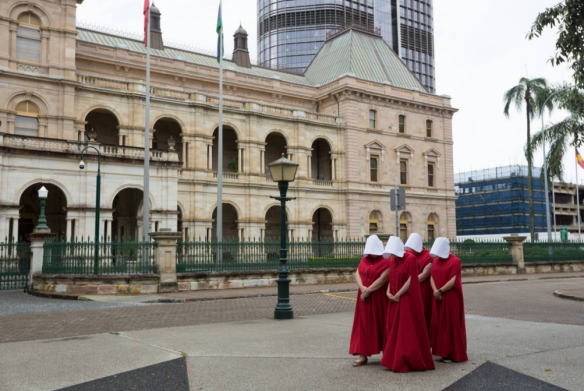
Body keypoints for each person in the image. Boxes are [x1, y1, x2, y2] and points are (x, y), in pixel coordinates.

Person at [381, 237, 435, 373]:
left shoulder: (410, 259)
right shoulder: (393, 259)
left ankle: (405, 359)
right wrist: (388, 291)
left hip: (405, 297)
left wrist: (399, 293)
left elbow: (412, 278)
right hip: (394, 297)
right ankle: (394, 358)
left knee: (405, 330)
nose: (392, 255)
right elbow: (391, 277)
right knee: (394, 328)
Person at [349, 235, 391, 367]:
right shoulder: (364, 259)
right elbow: (357, 273)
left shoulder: (387, 260)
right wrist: (362, 288)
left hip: (378, 298)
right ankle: (363, 355)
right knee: (362, 324)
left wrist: (368, 290)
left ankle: (387, 354)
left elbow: (384, 278)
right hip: (364, 298)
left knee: (381, 322)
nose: (371, 255)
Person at [430, 238, 468, 363]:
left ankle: (451, 352)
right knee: (439, 323)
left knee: (450, 323)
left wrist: (440, 291)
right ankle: (442, 350)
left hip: (450, 297)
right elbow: (431, 277)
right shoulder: (436, 261)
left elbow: (453, 280)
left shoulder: (455, 261)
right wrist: (436, 291)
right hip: (438, 296)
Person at [404, 233, 433, 341]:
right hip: (408, 288)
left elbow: (425, 274)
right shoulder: (408, 253)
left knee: (424, 313)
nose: (411, 249)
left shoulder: (428, 255)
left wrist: (408, 284)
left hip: (422, 288)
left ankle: (426, 340)